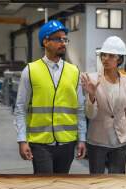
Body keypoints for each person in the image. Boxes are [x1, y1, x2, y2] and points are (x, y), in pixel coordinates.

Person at [14, 20, 87, 174]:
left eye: (64, 39)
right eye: (57, 39)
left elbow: (79, 108)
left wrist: (82, 139)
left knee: (61, 186)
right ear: (45, 42)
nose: (63, 43)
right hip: (40, 142)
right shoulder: (30, 70)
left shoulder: (74, 71)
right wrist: (22, 140)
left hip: (67, 142)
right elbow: (20, 108)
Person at [81, 36, 126, 174]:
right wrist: (91, 96)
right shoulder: (92, 79)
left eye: (111, 56)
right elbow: (90, 114)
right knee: (97, 179)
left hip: (121, 139)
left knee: (117, 181)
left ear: (119, 59)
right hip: (98, 140)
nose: (105, 58)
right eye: (103, 55)